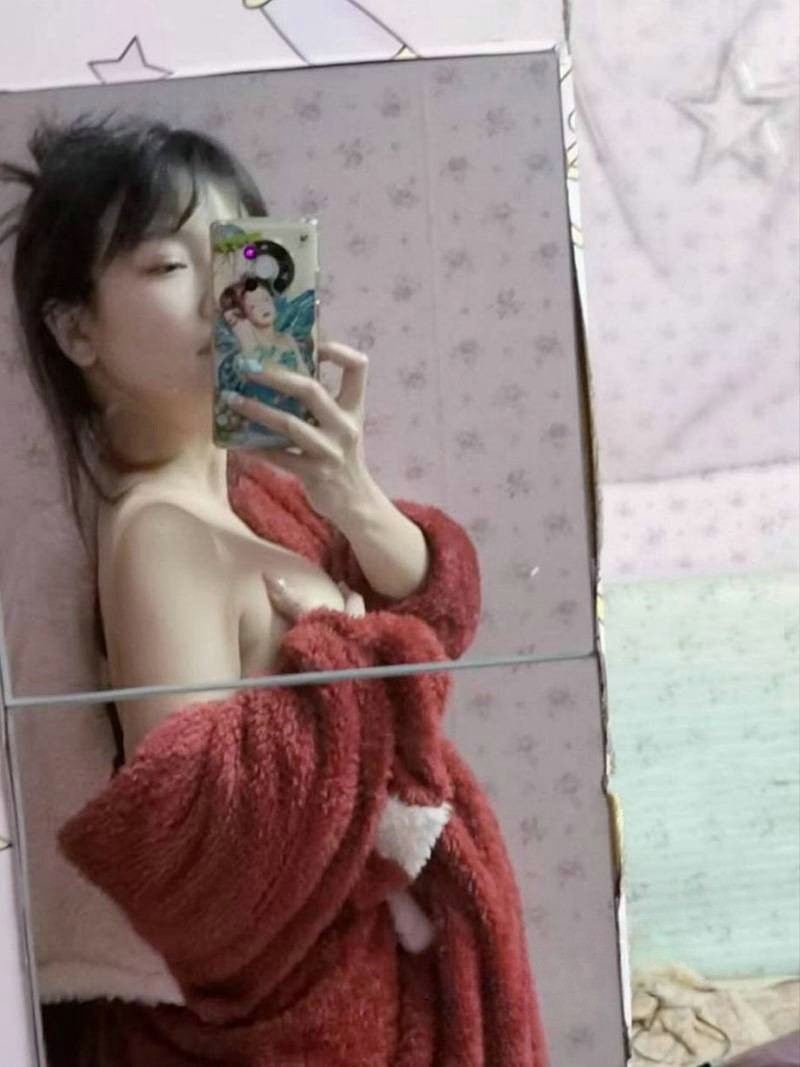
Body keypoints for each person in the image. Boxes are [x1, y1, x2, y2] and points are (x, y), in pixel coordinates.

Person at [1, 116, 549, 1066]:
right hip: (307, 1031)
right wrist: (353, 659)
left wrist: (355, 495)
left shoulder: (256, 494)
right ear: (76, 329)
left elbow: (441, 617)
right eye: (168, 265)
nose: (227, 292)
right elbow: (202, 863)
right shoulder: (159, 535)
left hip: (376, 989)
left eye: (241, 252)